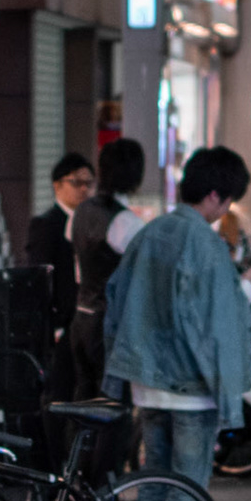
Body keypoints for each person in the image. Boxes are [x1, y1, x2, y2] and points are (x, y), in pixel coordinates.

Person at [101, 147, 251, 501]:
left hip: (146, 381)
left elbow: (116, 300)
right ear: (213, 195)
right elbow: (217, 327)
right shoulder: (205, 245)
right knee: (187, 489)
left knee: (152, 484)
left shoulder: (150, 234)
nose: (226, 210)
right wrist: (230, 396)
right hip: (192, 389)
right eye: (227, 201)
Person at [69, 138, 146, 399]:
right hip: (109, 325)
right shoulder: (127, 222)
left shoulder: (81, 210)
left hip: (80, 318)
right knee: (111, 410)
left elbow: (79, 268)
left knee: (83, 403)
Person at [26, 152, 94, 401]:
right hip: (60, 323)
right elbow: (40, 275)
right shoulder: (46, 224)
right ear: (57, 185)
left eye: (89, 183)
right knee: (61, 391)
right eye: (76, 182)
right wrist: (52, 322)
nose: (84, 189)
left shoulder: (92, 222)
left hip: (87, 318)